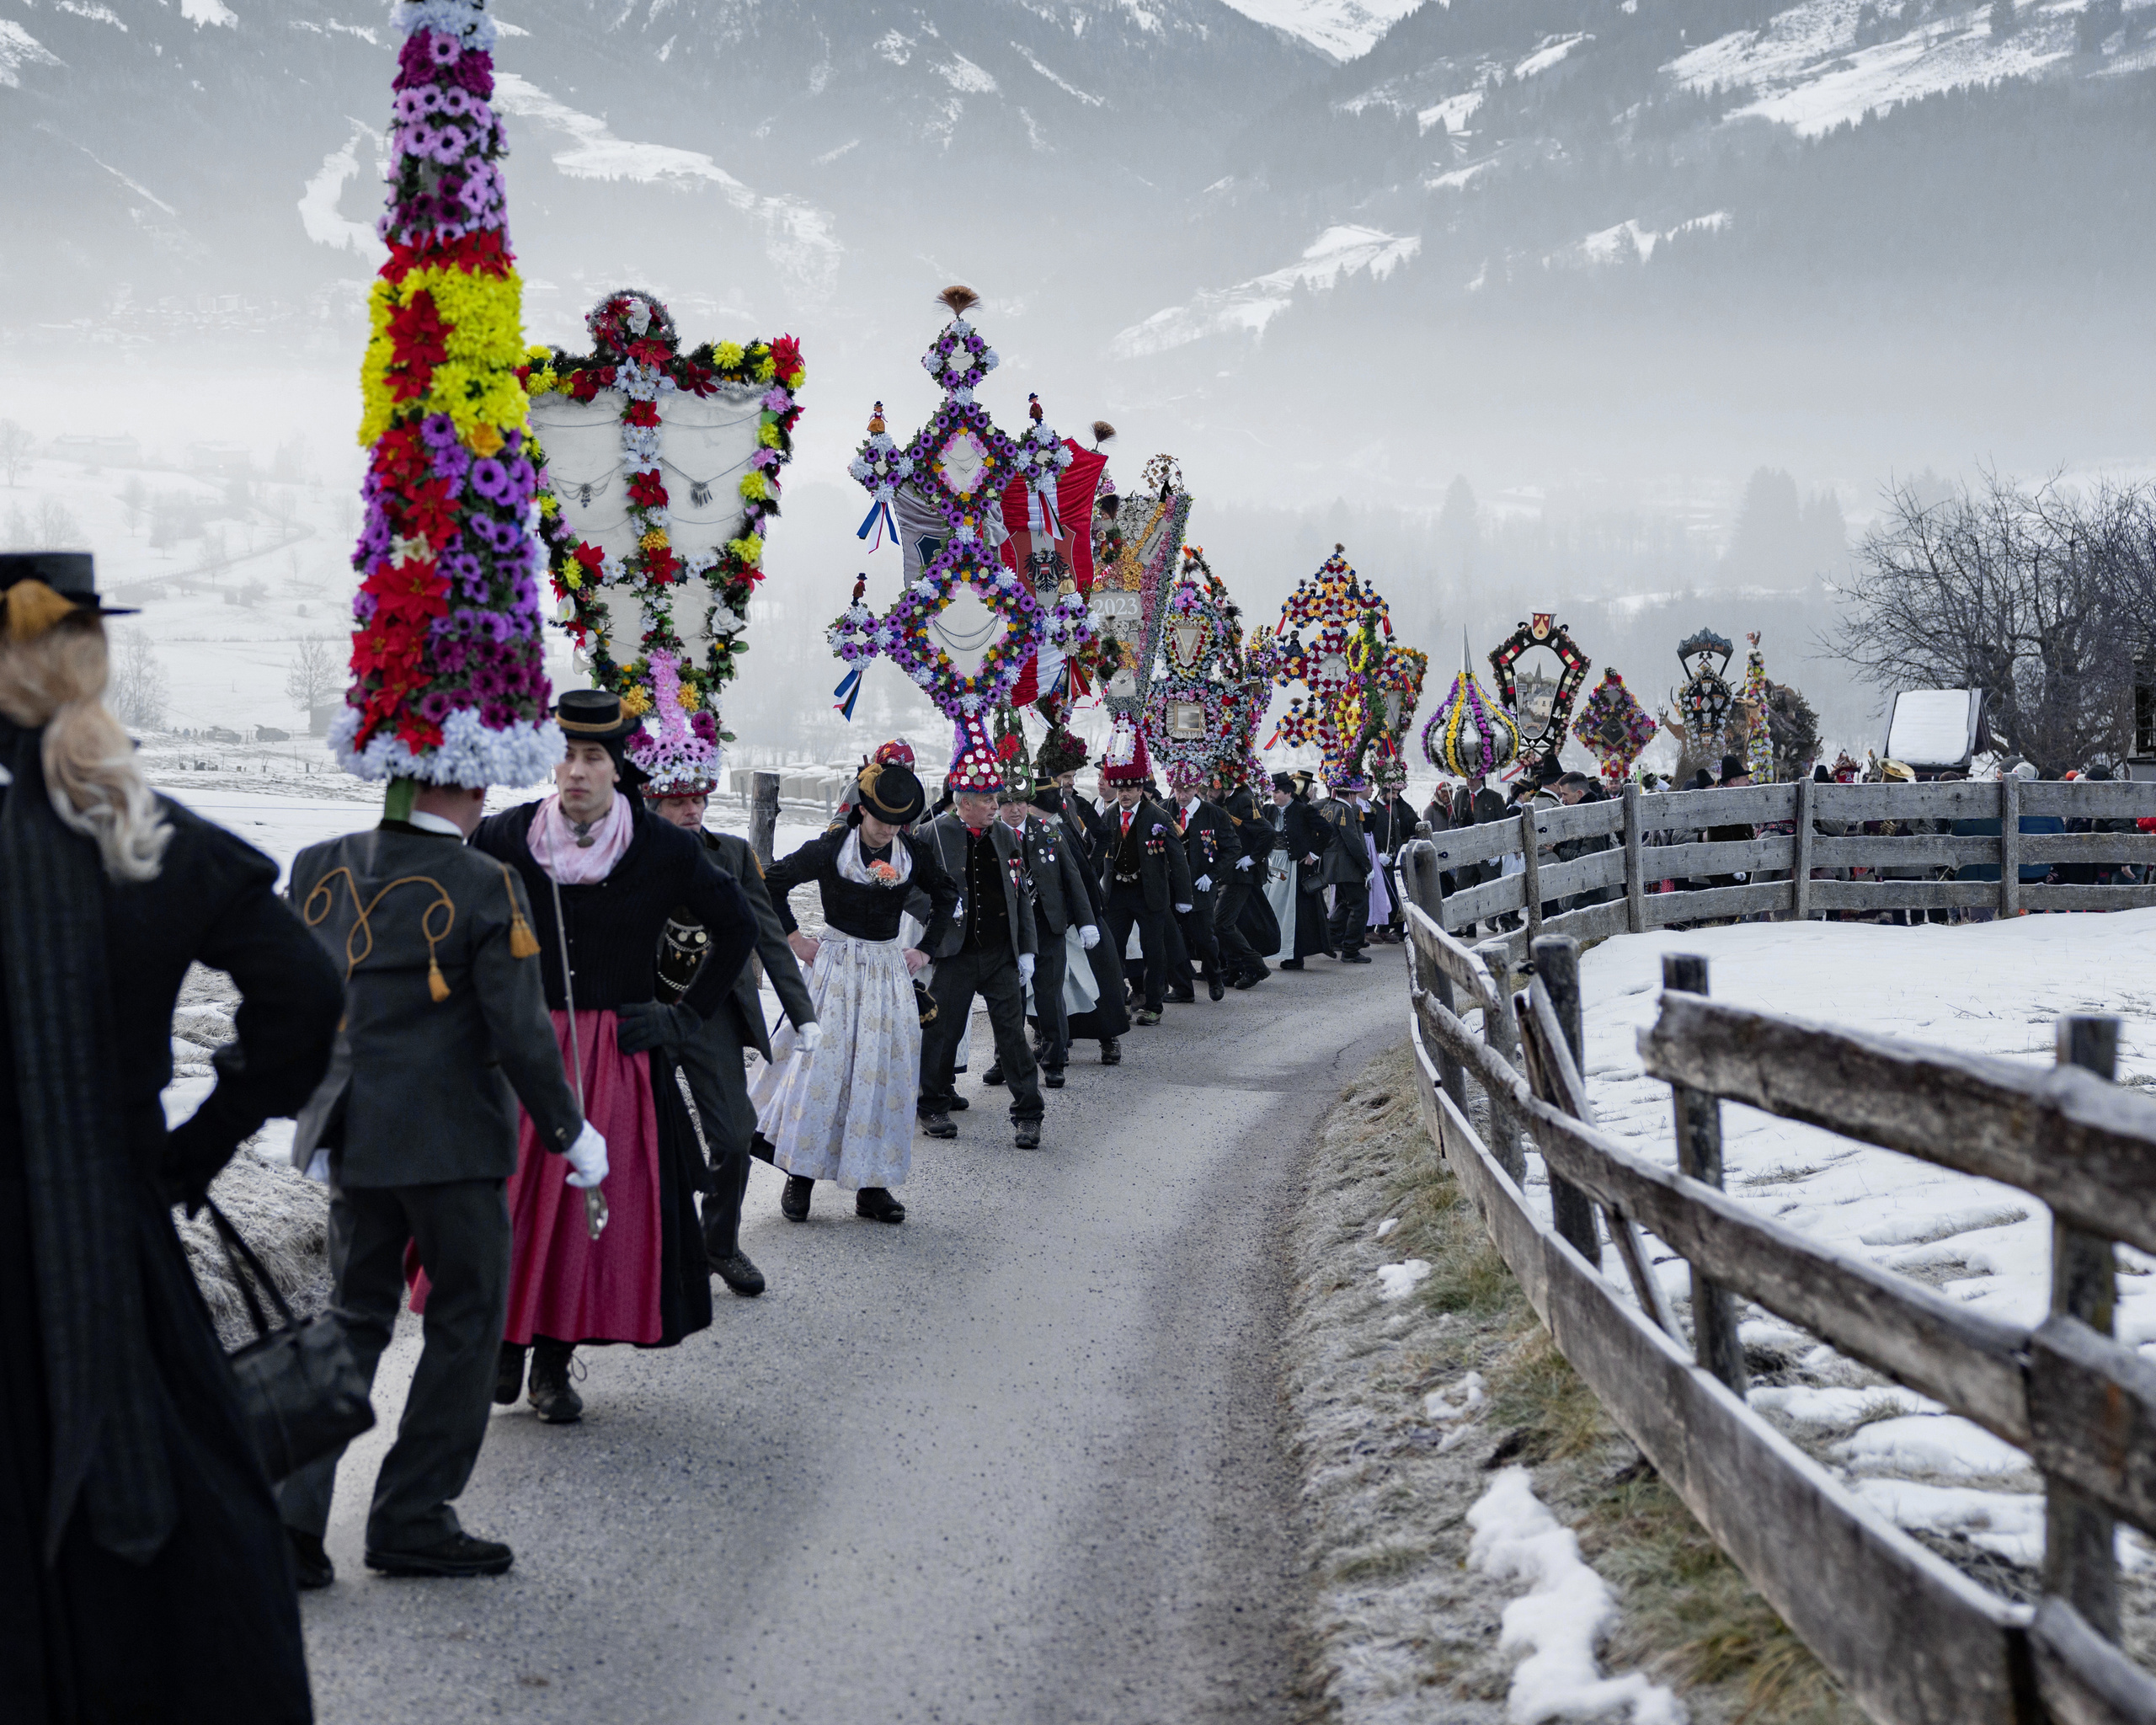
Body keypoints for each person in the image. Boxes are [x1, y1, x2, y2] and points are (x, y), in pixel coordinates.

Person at [0, 552, 342, 1720]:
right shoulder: (152, 837)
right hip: (116, 1237)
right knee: (182, 1545)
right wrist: (202, 1142)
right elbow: (305, 996)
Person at [280, 771, 600, 1586]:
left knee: (355, 1316)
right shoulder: (486, 880)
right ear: (472, 786)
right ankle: (412, 1515)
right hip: (453, 1143)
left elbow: (289, 995)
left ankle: (290, 1522)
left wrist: (308, 1102)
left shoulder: (319, 862)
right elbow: (520, 1028)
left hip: (354, 1132)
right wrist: (570, 1131)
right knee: (466, 1318)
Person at [460, 689, 757, 1424]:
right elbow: (459, 925)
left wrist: (682, 1016)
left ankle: (552, 1364)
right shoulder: (503, 838)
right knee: (508, 1199)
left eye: (593, 756)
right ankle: (504, 1341)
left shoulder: (663, 850)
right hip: (519, 1052)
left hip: (612, 1060)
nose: (576, 770)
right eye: (565, 754)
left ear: (619, 767)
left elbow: (737, 926)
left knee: (579, 1213)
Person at [642, 702, 819, 1297]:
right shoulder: (626, 855)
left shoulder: (735, 855)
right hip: (642, 1013)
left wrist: (803, 1014)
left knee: (736, 1135)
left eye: (699, 798)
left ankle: (718, 1243)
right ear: (652, 803)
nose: (692, 809)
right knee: (638, 1139)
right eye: (678, 801)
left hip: (712, 1012)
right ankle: (639, 1252)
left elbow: (767, 932)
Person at [754, 761, 957, 1221]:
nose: (889, 830)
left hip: (886, 972)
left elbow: (947, 896)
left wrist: (925, 949)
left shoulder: (912, 853)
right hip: (835, 969)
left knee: (882, 1074)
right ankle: (800, 1175)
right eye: (882, 819)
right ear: (862, 809)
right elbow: (770, 883)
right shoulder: (830, 848)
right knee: (821, 1071)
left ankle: (872, 1186)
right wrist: (795, 940)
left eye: (898, 822)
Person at [915, 736, 1046, 1145]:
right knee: (942, 1032)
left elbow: (1020, 894)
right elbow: (909, 889)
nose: (995, 805)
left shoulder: (1007, 837)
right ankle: (932, 1105)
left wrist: (1027, 949)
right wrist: (938, 909)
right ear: (965, 801)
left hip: (999, 953)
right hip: (955, 954)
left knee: (1012, 1036)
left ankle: (1029, 1113)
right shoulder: (931, 834)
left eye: (996, 798)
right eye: (988, 799)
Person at [992, 777, 1097, 1088]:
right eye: (1008, 804)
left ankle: (1054, 1061)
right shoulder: (991, 836)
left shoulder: (1048, 831)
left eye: (1021, 802)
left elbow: (1072, 876)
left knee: (1050, 997)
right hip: (1008, 933)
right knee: (1009, 1001)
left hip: (1047, 926)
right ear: (998, 806)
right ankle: (1005, 1061)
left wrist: (1086, 921)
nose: (1015, 810)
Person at [1038, 739, 1129, 1065]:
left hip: (1085, 906)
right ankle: (1052, 1038)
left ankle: (1108, 1038)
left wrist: (1090, 865)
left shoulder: (1074, 803)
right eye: (1065, 777)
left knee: (1100, 976)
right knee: (1053, 982)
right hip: (1051, 915)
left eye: (1073, 777)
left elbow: (1101, 835)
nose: (1070, 783)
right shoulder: (1034, 814)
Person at [1097, 727, 1193, 1022]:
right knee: (1112, 949)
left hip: (1149, 893)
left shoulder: (1158, 816)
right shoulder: (1109, 815)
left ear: (1141, 790)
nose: (1124, 795)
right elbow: (1095, 854)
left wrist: (1184, 897)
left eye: (1130, 790)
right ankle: (1116, 1002)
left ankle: (1154, 1006)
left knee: (1154, 951)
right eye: (1120, 790)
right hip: (1117, 894)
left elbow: (1177, 859)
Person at [1168, 765, 1236, 1001]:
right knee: (1174, 940)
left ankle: (1214, 976)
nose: (1181, 796)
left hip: (1201, 886)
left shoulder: (1214, 814)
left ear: (1197, 788)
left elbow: (1232, 849)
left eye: (1186, 789)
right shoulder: (1165, 810)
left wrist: (1212, 875)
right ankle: (1182, 988)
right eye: (1177, 789)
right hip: (1173, 886)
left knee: (1204, 939)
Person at [1214, 776, 1274, 989]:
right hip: (1228, 872)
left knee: (1221, 923)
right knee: (1234, 923)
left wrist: (1253, 857)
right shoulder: (1228, 800)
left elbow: (1267, 832)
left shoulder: (1244, 799)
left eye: (1211, 788)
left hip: (1241, 873)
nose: (1209, 793)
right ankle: (1234, 968)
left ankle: (1256, 965)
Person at [1273, 771, 1334, 968]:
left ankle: (1295, 955)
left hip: (1295, 866)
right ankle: (1274, 948)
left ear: (1289, 793)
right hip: (1274, 866)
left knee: (1295, 912)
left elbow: (1326, 830)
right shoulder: (1270, 811)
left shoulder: (1303, 810)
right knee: (1273, 906)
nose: (1274, 795)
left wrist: (1313, 854)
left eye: (1278, 792)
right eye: (1273, 791)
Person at [1315, 770, 1375, 964]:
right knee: (1359, 906)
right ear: (1350, 794)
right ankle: (1351, 949)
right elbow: (1353, 842)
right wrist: (1367, 866)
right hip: (1348, 867)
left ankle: (1331, 939)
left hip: (1334, 866)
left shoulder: (1329, 807)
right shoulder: (1345, 810)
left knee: (1344, 903)